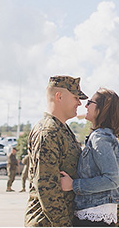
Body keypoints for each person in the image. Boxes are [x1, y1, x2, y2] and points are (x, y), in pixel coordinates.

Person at [25, 75, 85, 227]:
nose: (79, 102)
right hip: (48, 222)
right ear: (59, 96)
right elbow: (46, 187)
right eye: (76, 97)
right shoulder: (48, 131)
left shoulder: (61, 129)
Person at [59, 88, 119, 226]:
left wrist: (73, 185)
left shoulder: (100, 137)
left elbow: (112, 180)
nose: (86, 105)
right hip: (96, 212)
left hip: (94, 215)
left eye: (90, 102)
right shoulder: (102, 136)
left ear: (102, 109)